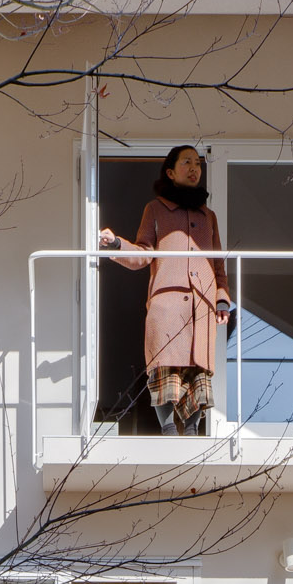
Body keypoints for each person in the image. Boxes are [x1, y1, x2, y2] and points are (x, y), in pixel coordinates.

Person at [98, 144, 234, 436]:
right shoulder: (156, 209)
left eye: (197, 163)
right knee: (165, 368)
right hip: (168, 304)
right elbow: (144, 253)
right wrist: (116, 244)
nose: (194, 167)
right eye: (187, 162)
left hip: (202, 306)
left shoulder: (208, 216)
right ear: (171, 172)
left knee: (199, 370)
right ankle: (169, 429)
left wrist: (222, 299)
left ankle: (194, 430)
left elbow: (217, 263)